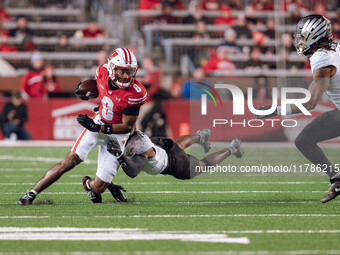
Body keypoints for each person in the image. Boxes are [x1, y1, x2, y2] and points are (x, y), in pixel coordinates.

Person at [18, 47, 147, 205]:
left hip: (117, 133)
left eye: (130, 72)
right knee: (70, 160)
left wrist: (99, 127)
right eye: (122, 72)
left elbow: (127, 127)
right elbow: (98, 87)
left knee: (98, 188)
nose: (126, 77)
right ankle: (31, 194)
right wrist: (84, 91)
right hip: (99, 122)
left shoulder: (136, 93)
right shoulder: (102, 71)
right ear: (112, 69)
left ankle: (88, 184)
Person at [255, 15, 340, 203]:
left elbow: (310, 103)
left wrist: (273, 111)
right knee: (304, 139)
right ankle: (337, 178)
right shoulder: (334, 47)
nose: (299, 41)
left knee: (304, 140)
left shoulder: (322, 60)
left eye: (302, 37)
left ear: (314, 36)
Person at [82, 129, 243, 203]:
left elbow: (133, 171)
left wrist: (120, 154)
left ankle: (231, 148)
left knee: (201, 166)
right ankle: (201, 136)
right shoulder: (130, 136)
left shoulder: (140, 149)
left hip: (173, 163)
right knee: (177, 145)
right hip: (161, 145)